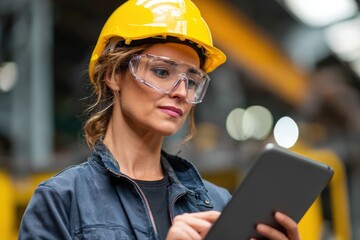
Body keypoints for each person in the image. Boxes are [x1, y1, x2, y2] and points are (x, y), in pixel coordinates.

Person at [18, 0, 301, 239]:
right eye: (162, 72)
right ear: (114, 75)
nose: (180, 92)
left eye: (191, 81)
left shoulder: (219, 204)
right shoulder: (63, 200)